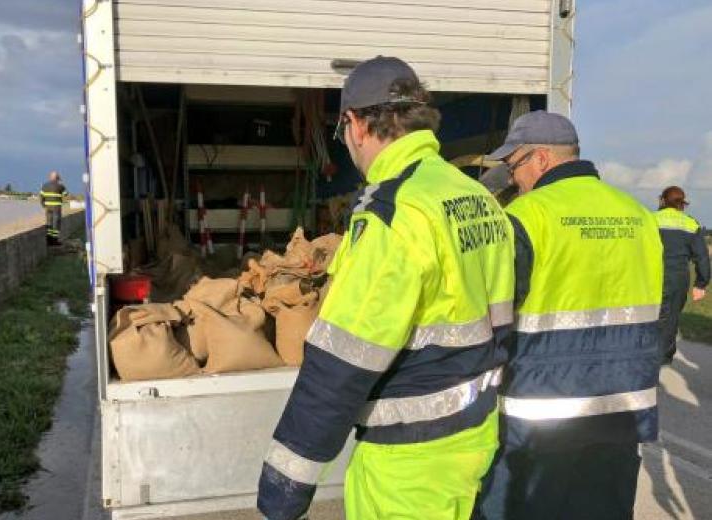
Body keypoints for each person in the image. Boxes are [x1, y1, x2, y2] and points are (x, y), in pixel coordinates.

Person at [257, 56, 515, 520]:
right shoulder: (475, 196)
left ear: (355, 125)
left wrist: (283, 489)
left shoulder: (394, 214)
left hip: (408, 463)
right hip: (473, 438)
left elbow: (341, 362)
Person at [475, 111, 664, 520]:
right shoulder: (640, 217)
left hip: (540, 418)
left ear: (540, 159)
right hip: (621, 411)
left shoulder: (526, 218)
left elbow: (494, 322)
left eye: (514, 166)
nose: (514, 179)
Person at [654, 186, 710, 364]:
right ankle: (663, 357)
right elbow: (702, 257)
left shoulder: (651, 219)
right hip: (678, 278)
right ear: (682, 204)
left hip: (652, 274)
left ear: (662, 200)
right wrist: (701, 284)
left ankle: (646, 353)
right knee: (671, 317)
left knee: (649, 315)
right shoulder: (690, 223)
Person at [39, 171, 68, 245]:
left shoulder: (44, 186)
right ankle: (54, 241)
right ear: (57, 178)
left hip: (48, 208)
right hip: (56, 208)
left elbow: (41, 197)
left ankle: (49, 240)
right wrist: (61, 182)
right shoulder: (60, 186)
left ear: (50, 177)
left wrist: (43, 205)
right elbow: (66, 194)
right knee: (56, 224)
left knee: (49, 223)